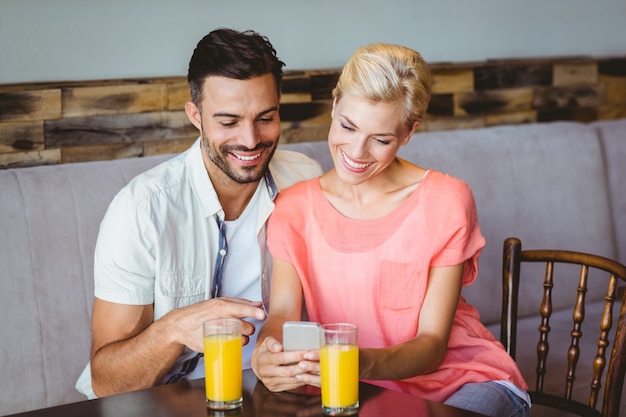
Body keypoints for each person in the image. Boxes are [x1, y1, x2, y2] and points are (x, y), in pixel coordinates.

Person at [251, 43, 531, 417]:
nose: (356, 151)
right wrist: (266, 353)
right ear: (335, 105)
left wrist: (356, 363)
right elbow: (282, 314)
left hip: (464, 383)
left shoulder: (446, 200)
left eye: (381, 140)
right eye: (347, 126)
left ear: (409, 131)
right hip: (352, 389)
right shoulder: (293, 208)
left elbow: (432, 345)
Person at [75, 28, 323, 398]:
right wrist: (175, 328)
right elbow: (107, 381)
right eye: (228, 122)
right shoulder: (142, 209)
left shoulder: (305, 178)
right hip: (166, 402)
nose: (251, 139)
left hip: (271, 396)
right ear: (195, 115)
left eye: (266, 118)